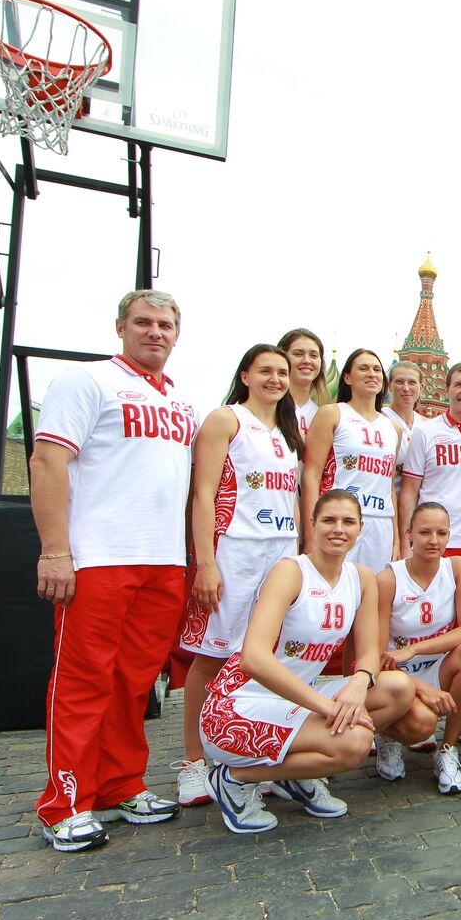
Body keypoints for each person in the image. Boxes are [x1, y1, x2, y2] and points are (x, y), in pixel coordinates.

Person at [30, 290, 199, 852]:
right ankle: (65, 801)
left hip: (163, 560)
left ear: (178, 334)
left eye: (166, 325)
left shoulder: (180, 401)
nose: (156, 332)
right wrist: (56, 550)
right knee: (83, 681)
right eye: (144, 322)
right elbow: (49, 459)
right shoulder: (87, 382)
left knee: (133, 683)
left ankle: (119, 784)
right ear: (121, 326)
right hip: (100, 557)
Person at [200, 490, 414, 834]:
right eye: (329, 520)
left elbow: (370, 653)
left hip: (295, 699)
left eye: (348, 522)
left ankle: (295, 777)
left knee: (398, 688)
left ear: (360, 528)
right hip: (239, 706)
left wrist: (359, 683)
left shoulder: (360, 578)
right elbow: (253, 659)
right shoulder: (291, 571)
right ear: (312, 525)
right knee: (354, 743)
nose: (338, 529)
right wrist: (328, 708)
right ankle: (233, 778)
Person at [176, 344, 304, 808]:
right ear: (246, 375)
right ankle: (193, 762)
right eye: (266, 370)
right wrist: (206, 561)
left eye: (282, 372)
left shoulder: (289, 432)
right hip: (235, 553)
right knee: (211, 658)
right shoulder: (225, 419)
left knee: (265, 658)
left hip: (278, 554)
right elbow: (203, 494)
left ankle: (250, 750)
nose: (275, 379)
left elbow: (289, 498)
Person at [374, 503, 461, 794]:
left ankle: (447, 750)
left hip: (434, 667)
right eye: (425, 532)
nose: (433, 540)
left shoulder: (457, 567)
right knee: (421, 726)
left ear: (450, 535)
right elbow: (375, 657)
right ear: (409, 533)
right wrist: (421, 688)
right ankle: (386, 735)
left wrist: (415, 650)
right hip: (395, 677)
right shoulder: (389, 579)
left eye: (441, 532)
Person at [399, 363, 461, 592]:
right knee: (433, 615)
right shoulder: (425, 432)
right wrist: (407, 542)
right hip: (434, 541)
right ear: (446, 391)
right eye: (458, 385)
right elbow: (410, 490)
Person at [301, 348, 401, 570]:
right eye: (363, 368)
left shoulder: (393, 427)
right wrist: (310, 535)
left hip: (379, 523)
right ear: (347, 378)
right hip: (340, 520)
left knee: (371, 595)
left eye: (377, 370)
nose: (372, 374)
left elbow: (390, 486)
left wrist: (396, 538)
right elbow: (311, 475)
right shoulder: (332, 414)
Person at [277, 328, 329, 441]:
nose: (307, 361)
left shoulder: (321, 415)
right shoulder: (268, 408)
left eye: (314, 355)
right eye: (298, 354)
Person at [383, 361, 424, 501]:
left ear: (421, 387)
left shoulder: (427, 425)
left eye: (412, 382)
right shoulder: (379, 419)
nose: (406, 388)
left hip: (419, 507)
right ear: (389, 386)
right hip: (386, 502)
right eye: (399, 382)